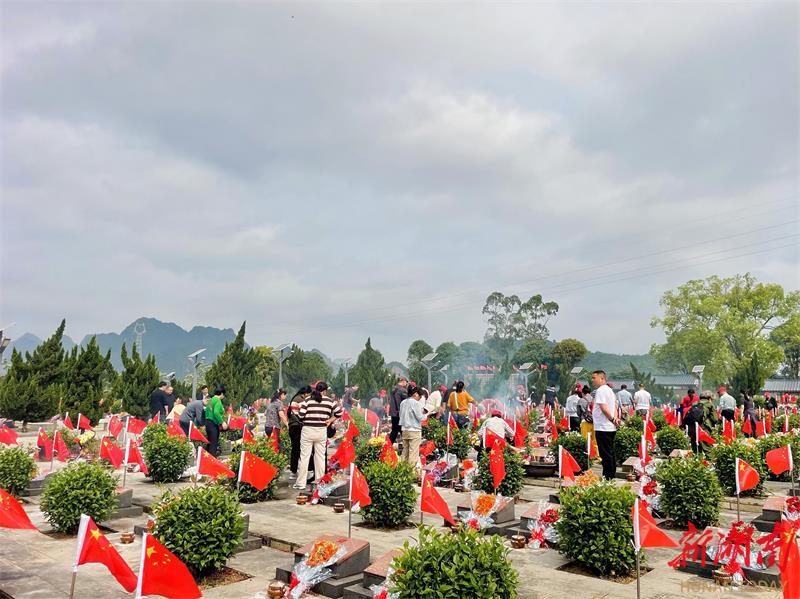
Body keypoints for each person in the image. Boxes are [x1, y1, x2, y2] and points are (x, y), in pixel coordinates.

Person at [293, 382, 342, 491]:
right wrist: (330, 420)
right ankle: (320, 483)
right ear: (324, 391)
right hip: (321, 431)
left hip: (307, 431)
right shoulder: (329, 401)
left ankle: (301, 483)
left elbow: (301, 416)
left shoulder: (307, 400)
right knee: (320, 458)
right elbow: (339, 413)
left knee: (304, 457)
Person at [591, 371, 619, 480]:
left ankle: (608, 476)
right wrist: (615, 419)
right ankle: (611, 474)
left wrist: (612, 419)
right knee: (610, 452)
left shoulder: (601, 390)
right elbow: (615, 406)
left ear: (602, 378)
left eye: (594, 378)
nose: (593, 380)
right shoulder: (609, 390)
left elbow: (604, 408)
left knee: (605, 454)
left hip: (603, 426)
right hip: (609, 427)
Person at [399, 385, 426, 468]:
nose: (419, 398)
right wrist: (426, 415)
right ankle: (410, 472)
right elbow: (420, 417)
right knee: (413, 453)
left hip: (404, 430)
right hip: (414, 430)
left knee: (405, 451)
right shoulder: (416, 403)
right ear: (415, 394)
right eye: (420, 396)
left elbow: (400, 415)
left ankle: (402, 470)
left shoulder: (403, 403)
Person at [287, 386, 312, 476]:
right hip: (298, 427)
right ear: (306, 393)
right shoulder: (301, 400)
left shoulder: (294, 398)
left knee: (295, 449)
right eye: (309, 394)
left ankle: (293, 470)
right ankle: (303, 470)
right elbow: (303, 414)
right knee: (301, 449)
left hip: (292, 426)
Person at [204, 387, 228, 456]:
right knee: (213, 444)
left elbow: (207, 411)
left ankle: (206, 459)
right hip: (213, 424)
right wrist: (222, 422)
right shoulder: (218, 401)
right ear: (222, 394)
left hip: (208, 423)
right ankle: (212, 460)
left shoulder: (211, 400)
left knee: (209, 443)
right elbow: (216, 412)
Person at [578, 384, 597, 456]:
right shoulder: (594, 400)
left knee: (585, 439)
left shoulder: (581, 400)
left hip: (585, 421)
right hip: (594, 422)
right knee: (594, 440)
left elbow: (579, 412)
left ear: (582, 393)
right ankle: (595, 455)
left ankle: (586, 455)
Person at [389, 377, 409, 445]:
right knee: (401, 430)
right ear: (403, 381)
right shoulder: (402, 390)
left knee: (395, 431)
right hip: (399, 413)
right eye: (406, 382)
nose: (406, 384)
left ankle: (388, 446)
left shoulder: (393, 389)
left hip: (393, 413)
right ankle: (408, 446)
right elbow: (409, 400)